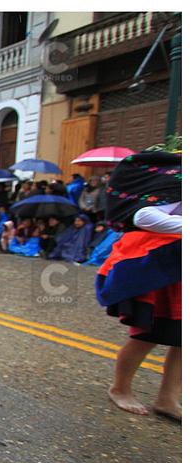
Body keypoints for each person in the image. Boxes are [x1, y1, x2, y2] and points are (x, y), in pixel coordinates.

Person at [97, 148, 181, 420]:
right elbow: (142, 216)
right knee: (147, 335)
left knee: (182, 340)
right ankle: (120, 388)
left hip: (180, 271)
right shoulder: (178, 182)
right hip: (159, 272)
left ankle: (168, 398)